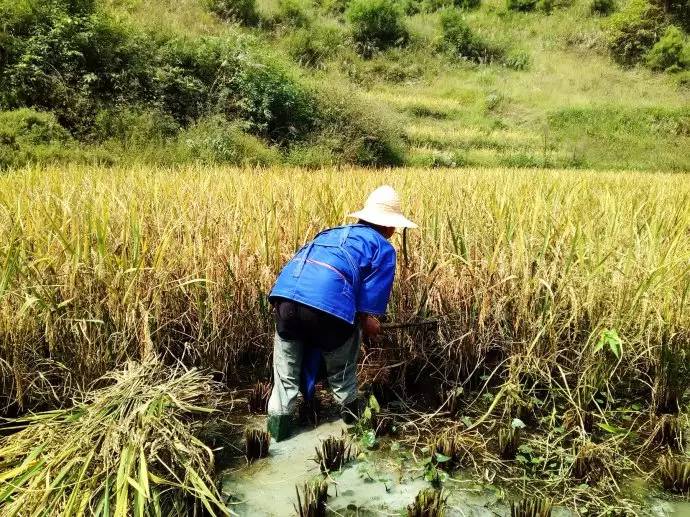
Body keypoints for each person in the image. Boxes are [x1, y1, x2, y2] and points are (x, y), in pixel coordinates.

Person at [266, 185, 417, 441]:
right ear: (391, 228)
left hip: (286, 299)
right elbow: (366, 311)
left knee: (285, 379)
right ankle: (354, 431)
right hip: (328, 307)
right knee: (342, 375)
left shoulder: (331, 233)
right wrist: (369, 324)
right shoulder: (382, 247)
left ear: (363, 217)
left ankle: (277, 439)